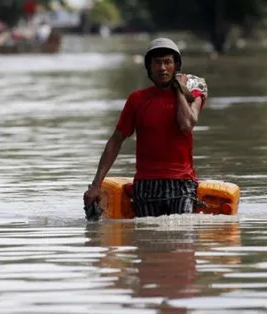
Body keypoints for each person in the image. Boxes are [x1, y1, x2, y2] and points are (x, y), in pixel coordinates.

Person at [83, 37, 207, 218]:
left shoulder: (194, 95)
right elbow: (115, 141)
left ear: (176, 66)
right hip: (146, 186)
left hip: (182, 184)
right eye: (157, 63)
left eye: (167, 62)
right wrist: (96, 185)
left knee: (182, 239)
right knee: (147, 242)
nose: (162, 68)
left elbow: (186, 125)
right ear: (149, 68)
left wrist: (179, 89)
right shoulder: (137, 100)